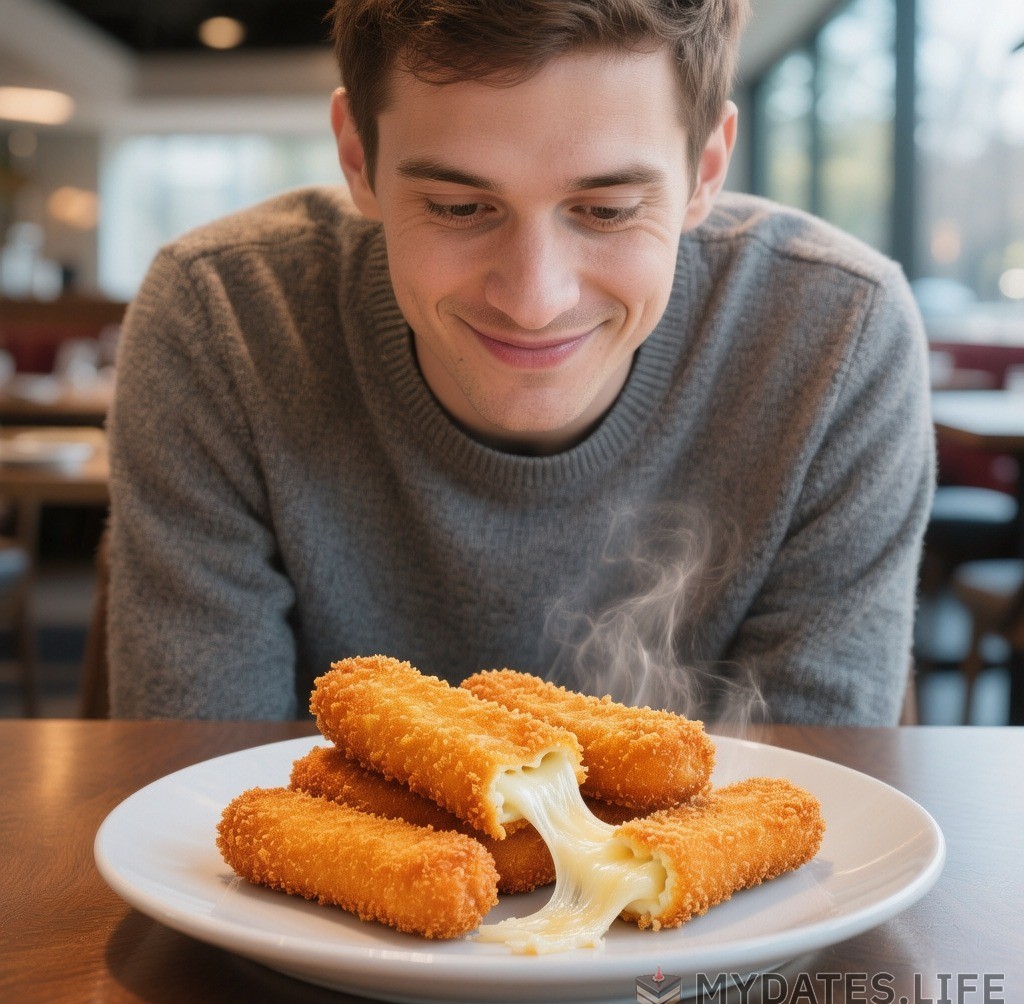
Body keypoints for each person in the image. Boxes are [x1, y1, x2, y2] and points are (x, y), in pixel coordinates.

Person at [106, 0, 934, 723]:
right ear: (358, 157)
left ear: (705, 169)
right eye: (460, 207)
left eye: (606, 211)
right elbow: (203, 787)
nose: (535, 299)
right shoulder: (223, 319)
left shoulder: (837, 333)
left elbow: (813, 807)